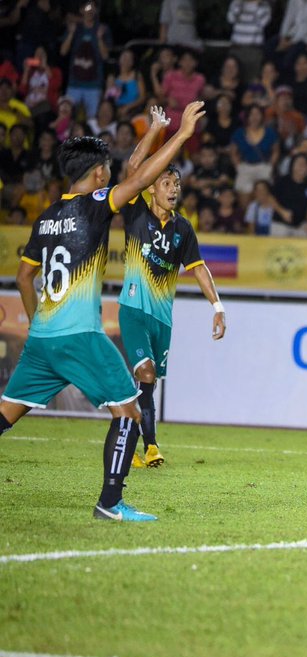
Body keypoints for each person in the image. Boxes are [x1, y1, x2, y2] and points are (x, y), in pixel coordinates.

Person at [0, 101, 206, 522]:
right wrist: (181, 135)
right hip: (81, 336)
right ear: (97, 175)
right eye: (107, 170)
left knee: (5, 414)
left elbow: (24, 277)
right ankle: (110, 503)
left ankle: (111, 502)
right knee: (129, 411)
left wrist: (40, 320)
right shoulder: (96, 204)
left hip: (42, 340)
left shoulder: (47, 216)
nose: (111, 174)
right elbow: (143, 177)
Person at [116, 108, 226, 469]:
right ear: (151, 189)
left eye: (176, 184)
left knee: (149, 386)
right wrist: (154, 131)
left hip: (162, 319)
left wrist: (218, 307)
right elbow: (133, 169)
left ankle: (134, 443)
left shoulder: (184, 229)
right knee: (145, 372)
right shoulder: (135, 212)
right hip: (133, 311)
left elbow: (199, 269)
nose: (174, 188)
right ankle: (150, 448)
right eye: (166, 182)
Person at [59, 1, 111, 118]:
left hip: (94, 85)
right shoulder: (75, 28)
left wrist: (99, 38)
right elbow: (63, 51)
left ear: (97, 11)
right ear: (81, 10)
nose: (90, 11)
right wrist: (71, 33)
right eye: (87, 8)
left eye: (93, 8)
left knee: (92, 119)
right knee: (67, 118)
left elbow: (105, 56)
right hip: (74, 84)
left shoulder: (103, 29)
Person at [226, 0, 271, 79]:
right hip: (237, 47)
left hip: (253, 49)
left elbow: (263, 22)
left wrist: (255, 4)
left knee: (252, 79)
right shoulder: (236, 3)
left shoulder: (264, 5)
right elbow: (231, 19)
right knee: (233, 78)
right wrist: (240, 4)